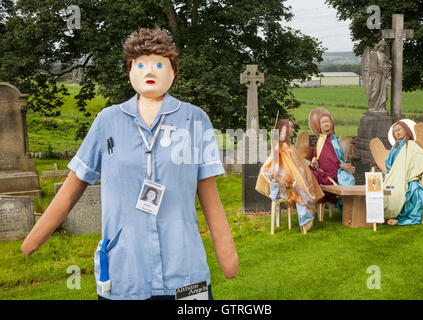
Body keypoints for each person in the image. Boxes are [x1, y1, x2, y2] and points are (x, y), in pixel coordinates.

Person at [20, 27, 238, 300]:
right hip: (124, 276)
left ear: (173, 71)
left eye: (159, 64)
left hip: (186, 274)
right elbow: (71, 188)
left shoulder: (195, 120)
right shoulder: (107, 121)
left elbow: (211, 199)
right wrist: (35, 238)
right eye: (141, 64)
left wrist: (227, 254)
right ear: (130, 70)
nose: (150, 71)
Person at [256, 119, 324, 233]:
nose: (293, 129)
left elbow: (299, 163)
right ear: (284, 130)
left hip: (290, 184)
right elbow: (268, 169)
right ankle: (305, 220)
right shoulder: (279, 150)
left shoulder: (290, 148)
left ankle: (306, 217)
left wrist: (311, 163)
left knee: (305, 186)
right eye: (290, 127)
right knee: (301, 190)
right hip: (281, 188)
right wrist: (280, 180)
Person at [383, 120, 423, 226]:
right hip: (394, 178)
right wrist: (389, 174)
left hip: (409, 177)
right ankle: (390, 215)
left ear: (406, 130)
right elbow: (389, 164)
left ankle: (402, 218)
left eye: (399, 129)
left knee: (414, 190)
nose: (397, 132)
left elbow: (422, 159)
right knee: (389, 188)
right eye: (395, 131)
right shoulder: (394, 148)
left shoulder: (412, 146)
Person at [308, 108, 355, 211]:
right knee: (347, 180)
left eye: (327, 121)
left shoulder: (333, 138)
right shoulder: (322, 140)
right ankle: (344, 208)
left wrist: (343, 164)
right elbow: (326, 158)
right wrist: (340, 166)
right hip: (329, 172)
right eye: (323, 122)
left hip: (338, 168)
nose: (326, 124)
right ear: (319, 126)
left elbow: (337, 155)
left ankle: (349, 208)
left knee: (350, 178)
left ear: (332, 123)